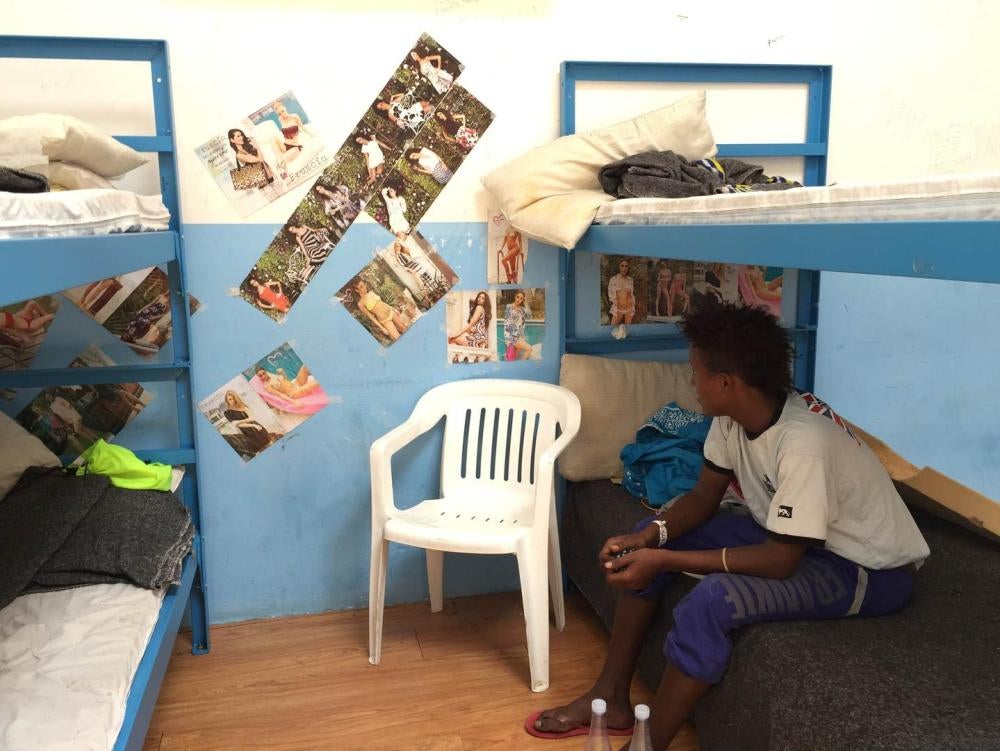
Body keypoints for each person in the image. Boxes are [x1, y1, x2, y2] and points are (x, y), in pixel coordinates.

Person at [530, 301, 929, 749]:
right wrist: (649, 537)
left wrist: (662, 558)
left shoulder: (803, 444)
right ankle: (610, 695)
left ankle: (649, 744)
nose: (691, 383)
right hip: (796, 536)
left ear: (727, 382)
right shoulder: (733, 417)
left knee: (715, 599)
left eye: (695, 372)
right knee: (650, 535)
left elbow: (780, 560)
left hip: (865, 566)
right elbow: (702, 499)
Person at [503, 291, 532, 360]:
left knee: (513, 358)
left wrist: (526, 303)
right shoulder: (509, 307)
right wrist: (507, 339)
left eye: (521, 298)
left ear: (523, 300)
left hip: (520, 336)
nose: (519, 300)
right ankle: (521, 366)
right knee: (529, 349)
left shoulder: (522, 309)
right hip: (512, 337)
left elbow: (530, 316)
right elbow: (506, 322)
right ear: (515, 297)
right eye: (517, 297)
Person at [607, 257, 636, 326]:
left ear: (628, 268)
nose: (624, 268)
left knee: (628, 329)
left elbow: (631, 293)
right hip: (618, 309)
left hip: (629, 308)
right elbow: (610, 292)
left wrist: (632, 303)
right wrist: (613, 300)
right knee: (612, 328)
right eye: (622, 266)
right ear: (619, 267)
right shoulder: (613, 279)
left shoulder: (630, 280)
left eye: (626, 266)